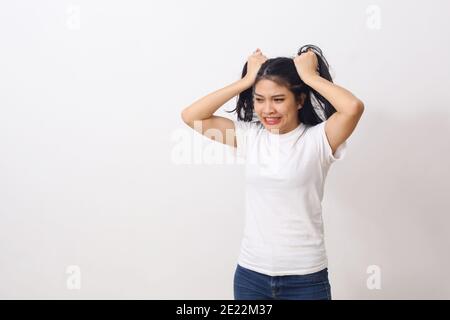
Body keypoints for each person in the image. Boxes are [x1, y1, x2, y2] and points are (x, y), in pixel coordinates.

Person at [181, 45, 364, 300]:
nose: (268, 110)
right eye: (259, 99)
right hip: (250, 277)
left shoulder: (319, 140)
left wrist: (310, 77)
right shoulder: (249, 137)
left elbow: (353, 107)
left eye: (278, 99)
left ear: (299, 100)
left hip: (306, 279)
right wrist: (246, 81)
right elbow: (192, 116)